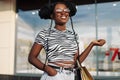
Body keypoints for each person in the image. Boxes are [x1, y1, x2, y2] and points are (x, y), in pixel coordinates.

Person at [28, 1, 106, 80]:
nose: (63, 13)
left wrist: (92, 44)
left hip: (70, 75)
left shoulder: (73, 35)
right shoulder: (44, 34)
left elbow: (76, 63)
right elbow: (32, 58)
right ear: (52, 15)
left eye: (66, 10)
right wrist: (49, 70)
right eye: (59, 11)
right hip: (53, 75)